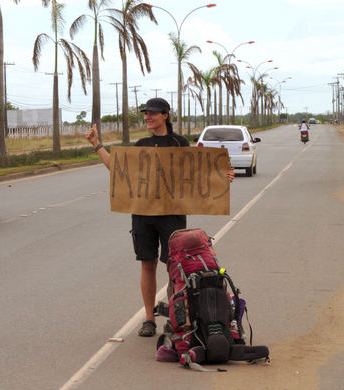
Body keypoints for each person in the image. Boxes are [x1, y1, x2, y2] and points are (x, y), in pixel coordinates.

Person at [86, 97, 235, 337]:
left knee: (174, 266)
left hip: (172, 215)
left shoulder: (179, 143)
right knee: (147, 263)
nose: (148, 117)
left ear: (165, 115)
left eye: (152, 114)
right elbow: (118, 169)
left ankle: (176, 315)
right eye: (146, 114)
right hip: (143, 215)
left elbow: (197, 172)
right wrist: (96, 145)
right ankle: (149, 318)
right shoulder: (141, 144)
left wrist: (223, 177)